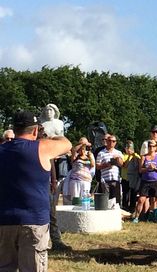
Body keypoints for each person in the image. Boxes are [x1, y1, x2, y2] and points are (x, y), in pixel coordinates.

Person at [0, 110, 72, 272]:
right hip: (34, 220)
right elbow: (67, 143)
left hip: (4, 219)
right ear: (34, 130)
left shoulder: (2, 150)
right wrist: (46, 137)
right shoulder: (42, 147)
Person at [132, 139, 157, 222]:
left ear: (156, 147)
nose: (151, 148)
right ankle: (136, 217)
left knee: (154, 200)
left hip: (156, 181)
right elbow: (140, 170)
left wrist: (155, 168)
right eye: (149, 146)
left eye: (153, 146)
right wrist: (147, 168)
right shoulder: (144, 157)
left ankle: (152, 216)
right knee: (141, 199)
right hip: (145, 181)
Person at [96, 134, 124, 205]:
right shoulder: (101, 153)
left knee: (116, 201)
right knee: (106, 201)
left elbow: (122, 164)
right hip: (105, 180)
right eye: (110, 141)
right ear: (107, 141)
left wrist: (118, 158)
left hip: (115, 179)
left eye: (113, 141)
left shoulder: (118, 152)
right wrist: (106, 165)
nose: (111, 142)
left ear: (115, 143)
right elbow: (97, 166)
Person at [67, 137, 95, 202]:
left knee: (85, 200)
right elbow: (73, 150)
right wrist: (82, 144)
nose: (83, 149)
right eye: (82, 147)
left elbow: (93, 165)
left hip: (86, 181)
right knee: (75, 200)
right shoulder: (75, 155)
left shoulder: (89, 154)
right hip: (75, 180)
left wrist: (89, 156)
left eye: (85, 147)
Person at [122, 140, 141, 212]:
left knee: (133, 194)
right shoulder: (123, 155)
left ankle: (132, 209)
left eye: (130, 147)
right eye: (127, 147)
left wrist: (134, 156)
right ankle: (125, 208)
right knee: (126, 194)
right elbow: (124, 166)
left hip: (134, 178)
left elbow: (139, 165)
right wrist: (129, 156)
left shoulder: (136, 155)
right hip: (125, 178)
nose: (129, 149)